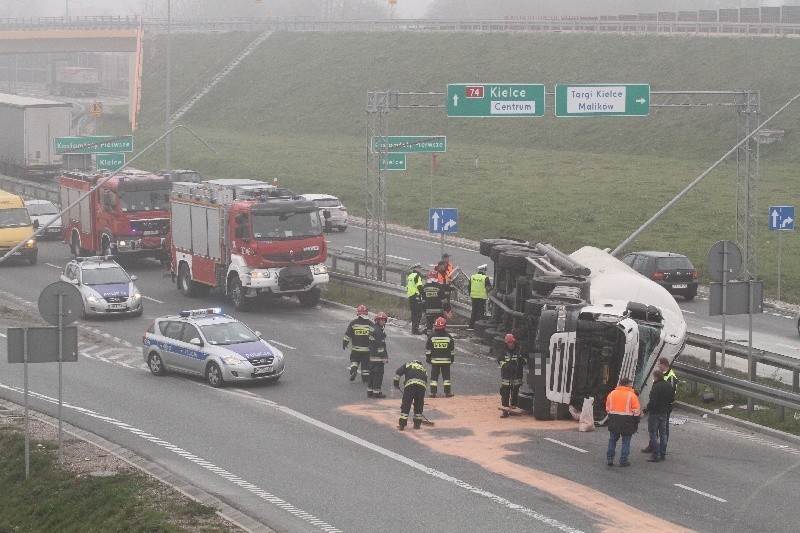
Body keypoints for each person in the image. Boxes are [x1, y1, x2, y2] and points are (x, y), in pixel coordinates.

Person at [643, 357, 678, 454]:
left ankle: (662, 449)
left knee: (663, 429)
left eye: (659, 364)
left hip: (664, 406)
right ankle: (653, 446)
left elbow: (671, 394)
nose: (658, 366)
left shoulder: (671, 376)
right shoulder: (661, 375)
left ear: (664, 364)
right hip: (659, 405)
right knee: (656, 428)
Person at [605, 377, 641, 467]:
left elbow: (608, 408)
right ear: (628, 385)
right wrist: (636, 423)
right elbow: (636, 411)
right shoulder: (632, 395)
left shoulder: (612, 393)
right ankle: (623, 461)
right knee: (626, 442)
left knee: (612, 440)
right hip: (627, 421)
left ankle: (610, 458)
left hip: (614, 419)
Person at [645, 369, 674, 462]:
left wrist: (648, 408)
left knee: (653, 433)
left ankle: (655, 453)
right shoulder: (669, 385)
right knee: (663, 433)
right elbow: (671, 399)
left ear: (656, 377)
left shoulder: (656, 386)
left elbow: (653, 400)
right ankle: (662, 453)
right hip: (664, 412)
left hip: (655, 412)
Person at [394, 359, 429, 430]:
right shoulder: (423, 368)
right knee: (419, 404)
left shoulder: (408, 364)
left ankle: (402, 425)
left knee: (406, 404)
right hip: (421, 386)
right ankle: (417, 424)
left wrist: (396, 384)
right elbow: (426, 378)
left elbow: (398, 372)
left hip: (410, 385)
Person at [343, 304, 373, 383]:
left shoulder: (353, 323)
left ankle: (354, 368)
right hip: (367, 350)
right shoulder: (370, 324)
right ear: (366, 313)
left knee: (354, 359)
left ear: (358, 313)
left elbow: (348, 334)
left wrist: (345, 342)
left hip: (355, 349)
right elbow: (375, 335)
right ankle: (365, 377)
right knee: (366, 364)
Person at [426, 316, 455, 398]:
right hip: (446, 361)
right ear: (444, 326)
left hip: (435, 362)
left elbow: (428, 349)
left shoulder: (432, 336)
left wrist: (428, 359)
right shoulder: (448, 337)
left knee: (434, 378)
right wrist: (452, 359)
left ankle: (433, 393)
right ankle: (447, 392)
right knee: (446, 378)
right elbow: (452, 350)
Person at [498, 333, 525, 417]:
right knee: (505, 394)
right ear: (506, 343)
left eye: (511, 343)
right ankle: (505, 411)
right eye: (509, 343)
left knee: (514, 394)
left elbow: (524, 362)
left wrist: (521, 360)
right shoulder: (503, 351)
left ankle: (513, 410)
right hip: (506, 376)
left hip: (516, 377)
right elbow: (500, 360)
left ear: (514, 343)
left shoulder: (519, 351)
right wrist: (507, 366)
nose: (510, 345)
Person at [367, 311, 390, 398]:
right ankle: (376, 393)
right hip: (378, 358)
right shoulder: (379, 331)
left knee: (372, 375)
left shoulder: (373, 328)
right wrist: (384, 357)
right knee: (378, 376)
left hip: (372, 357)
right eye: (381, 320)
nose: (383, 322)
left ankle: (370, 391)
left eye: (384, 320)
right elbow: (380, 346)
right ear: (377, 320)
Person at [468, 264, 492, 330]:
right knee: (481, 313)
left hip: (474, 297)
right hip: (482, 298)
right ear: (484, 270)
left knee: (474, 312)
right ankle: (478, 327)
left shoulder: (473, 277)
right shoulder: (485, 278)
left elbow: (469, 287)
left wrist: (470, 294)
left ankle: (471, 326)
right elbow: (489, 288)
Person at [406, 263, 425, 335]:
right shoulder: (418, 276)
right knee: (418, 313)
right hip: (416, 296)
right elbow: (419, 287)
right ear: (416, 268)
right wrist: (424, 295)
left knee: (413, 313)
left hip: (410, 296)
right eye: (420, 268)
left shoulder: (410, 275)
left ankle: (413, 329)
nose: (421, 270)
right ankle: (415, 329)